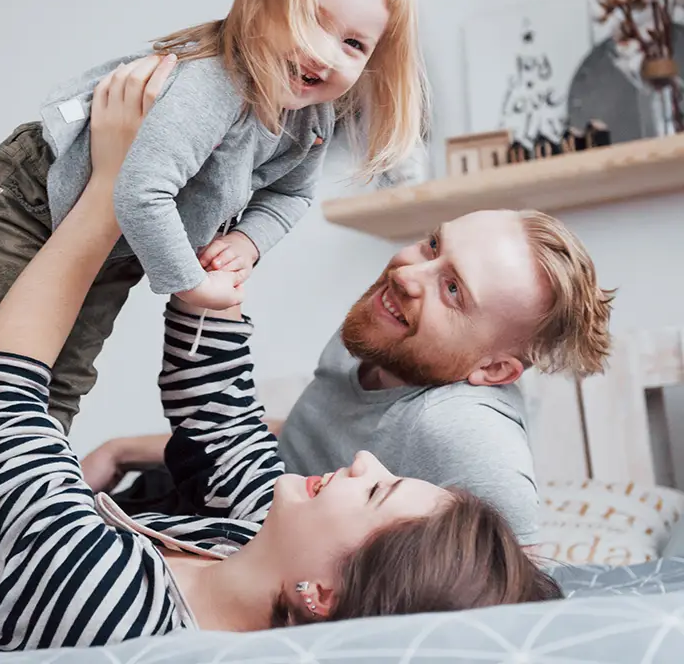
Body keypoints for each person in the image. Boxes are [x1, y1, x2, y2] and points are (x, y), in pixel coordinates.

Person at [0, 62, 561, 660]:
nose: (366, 461)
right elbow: (224, 419)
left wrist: (110, 197)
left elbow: (2, 401)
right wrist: (221, 204)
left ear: (318, 594)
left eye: (379, 490)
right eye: (432, 246)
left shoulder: (109, 610)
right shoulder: (249, 540)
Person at [0, 0, 429, 619]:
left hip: (116, 243)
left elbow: (291, 196)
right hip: (36, 198)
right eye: (316, 21)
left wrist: (251, 240)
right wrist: (192, 283)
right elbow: (139, 193)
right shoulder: (213, 89)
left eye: (355, 43)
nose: (329, 54)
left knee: (67, 379)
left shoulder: (312, 121)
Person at [83, 207, 615, 547]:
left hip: (248, 541)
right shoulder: (381, 332)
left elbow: (518, 593)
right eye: (433, 245)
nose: (406, 274)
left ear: (493, 370)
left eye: (453, 290)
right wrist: (124, 448)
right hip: (218, 493)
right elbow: (301, 432)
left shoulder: (462, 431)